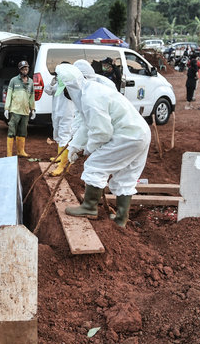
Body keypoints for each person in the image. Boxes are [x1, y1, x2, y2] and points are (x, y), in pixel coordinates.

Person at [56, 64, 151, 228]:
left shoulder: (90, 98)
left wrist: (87, 150)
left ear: (71, 87)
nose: (68, 97)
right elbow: (87, 125)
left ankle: (89, 207)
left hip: (127, 135)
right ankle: (121, 219)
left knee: (95, 166)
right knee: (125, 176)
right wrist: (74, 146)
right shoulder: (90, 91)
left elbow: (102, 132)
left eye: (67, 92)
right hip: (140, 133)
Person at [44, 65, 76, 176]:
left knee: (65, 136)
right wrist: (52, 82)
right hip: (57, 113)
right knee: (57, 134)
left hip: (67, 114)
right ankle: (60, 157)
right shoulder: (57, 84)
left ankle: (64, 165)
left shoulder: (70, 84)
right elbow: (47, 90)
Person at [4, 60, 35, 157]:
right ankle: (9, 154)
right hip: (15, 110)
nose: (25, 70)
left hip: (25, 111)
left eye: (26, 68)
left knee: (23, 131)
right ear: (20, 70)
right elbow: (9, 95)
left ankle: (20, 151)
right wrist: (7, 108)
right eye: (23, 69)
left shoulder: (31, 82)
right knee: (11, 131)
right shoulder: (14, 80)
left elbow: (31, 96)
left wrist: (32, 109)